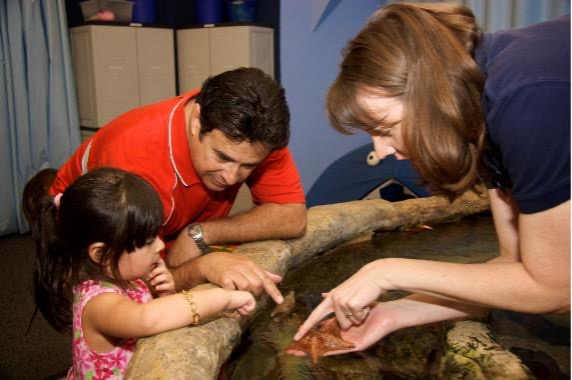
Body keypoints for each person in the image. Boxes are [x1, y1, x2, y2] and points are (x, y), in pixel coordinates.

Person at [293, 3, 570, 353]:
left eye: (385, 128)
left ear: (429, 94)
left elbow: (557, 287)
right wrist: (392, 314)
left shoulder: (526, 96)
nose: (380, 152)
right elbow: (512, 267)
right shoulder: (480, 112)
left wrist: (387, 271)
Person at [48, 68, 307, 304]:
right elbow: (138, 283)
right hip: (101, 241)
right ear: (197, 121)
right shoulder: (134, 164)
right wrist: (204, 267)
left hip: (162, 232)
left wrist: (202, 233)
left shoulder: (257, 133)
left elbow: (293, 217)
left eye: (248, 166)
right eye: (222, 157)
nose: (231, 177)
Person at [33, 167, 256, 379]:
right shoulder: (98, 303)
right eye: (148, 242)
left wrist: (166, 291)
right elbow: (147, 319)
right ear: (102, 254)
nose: (160, 246)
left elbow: (156, 320)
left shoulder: (127, 279)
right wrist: (223, 298)